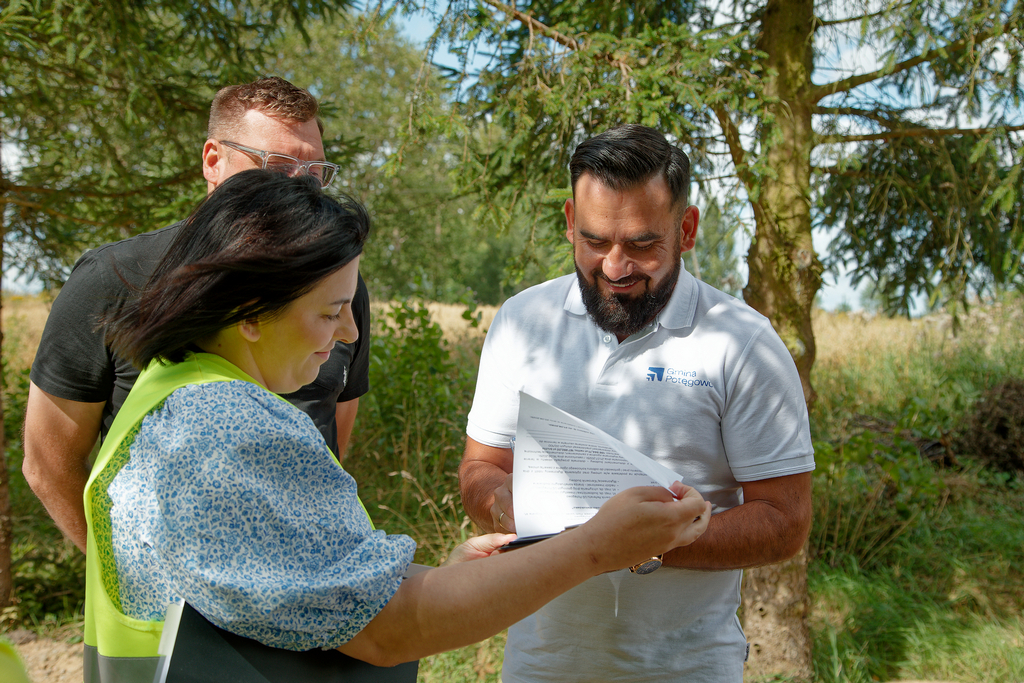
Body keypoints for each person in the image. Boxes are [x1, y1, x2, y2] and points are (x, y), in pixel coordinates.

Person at [84, 170, 713, 682]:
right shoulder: (235, 430)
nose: (349, 332)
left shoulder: (168, 392)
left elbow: (300, 587)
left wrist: (451, 582)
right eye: (331, 310)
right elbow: (391, 629)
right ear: (250, 311)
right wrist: (595, 548)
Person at [458, 124, 816, 682]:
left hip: (686, 669)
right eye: (595, 241)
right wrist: (504, 507)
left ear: (687, 229)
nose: (615, 268)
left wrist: (645, 543)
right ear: (570, 223)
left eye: (643, 245)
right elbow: (481, 468)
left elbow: (786, 522)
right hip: (539, 665)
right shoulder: (521, 323)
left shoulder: (743, 343)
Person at [23, 76, 370, 554]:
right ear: (213, 160)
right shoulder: (112, 278)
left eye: (314, 172)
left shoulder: (338, 287)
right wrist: (127, 573)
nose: (300, 187)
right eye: (277, 166)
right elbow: (48, 463)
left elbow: (334, 428)